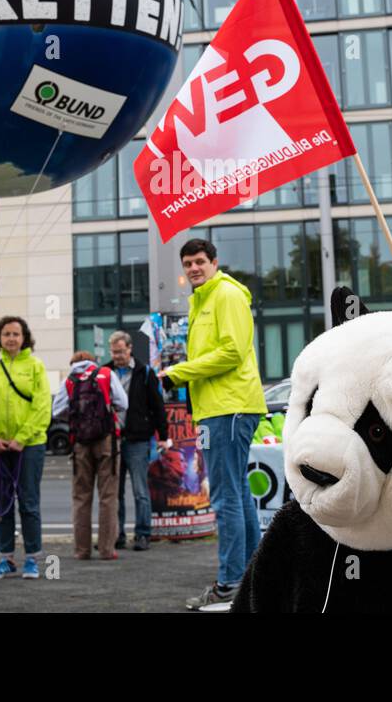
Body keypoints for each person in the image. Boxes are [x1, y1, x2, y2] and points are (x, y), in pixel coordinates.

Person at [162, 238, 265, 611]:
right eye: (188, 263)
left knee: (226, 497)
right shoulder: (202, 301)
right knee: (235, 493)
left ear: (214, 262)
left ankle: (230, 583)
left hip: (229, 408)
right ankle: (252, 578)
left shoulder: (226, 295)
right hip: (216, 409)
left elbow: (233, 352)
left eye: (200, 261)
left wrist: (178, 373)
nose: (193, 268)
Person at [0, 315, 50, 581]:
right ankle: (5, 558)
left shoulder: (35, 366)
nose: (11, 338)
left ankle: (33, 558)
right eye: (6, 334)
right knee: (3, 504)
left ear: (24, 337)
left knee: (28, 502)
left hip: (29, 445)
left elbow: (42, 406)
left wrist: (21, 437)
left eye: (16, 334)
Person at [104, 330, 171, 551]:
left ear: (130, 349)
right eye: (114, 352)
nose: (117, 356)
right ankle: (118, 535)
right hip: (112, 440)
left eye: (121, 351)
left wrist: (164, 435)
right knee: (115, 492)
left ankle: (143, 534)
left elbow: (157, 405)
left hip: (138, 439)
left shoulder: (144, 373)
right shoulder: (105, 372)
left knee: (140, 490)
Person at [57, 351, 127, 560]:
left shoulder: (69, 380)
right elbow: (124, 403)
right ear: (92, 361)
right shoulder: (105, 373)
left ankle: (82, 550)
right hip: (106, 441)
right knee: (108, 497)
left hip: (80, 443)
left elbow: (56, 410)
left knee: (81, 497)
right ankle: (107, 549)